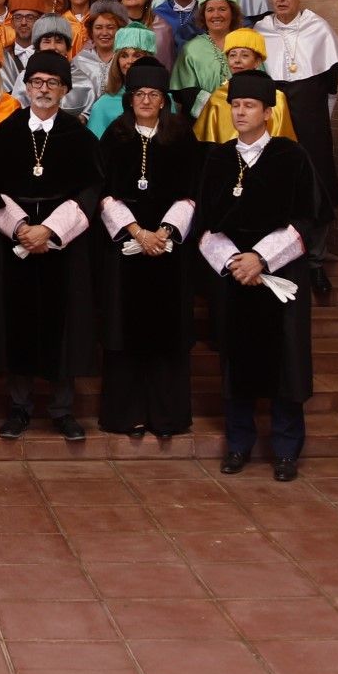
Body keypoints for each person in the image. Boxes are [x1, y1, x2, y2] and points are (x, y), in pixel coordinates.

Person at [195, 69, 321, 482]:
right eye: (236, 105)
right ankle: (238, 443)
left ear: (268, 112)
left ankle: (286, 449)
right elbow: (206, 222)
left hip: (281, 275)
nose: (241, 112)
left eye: (250, 106)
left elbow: (310, 218)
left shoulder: (292, 157)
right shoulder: (216, 159)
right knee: (237, 360)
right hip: (233, 277)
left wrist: (262, 259)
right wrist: (236, 261)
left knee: (286, 361)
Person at [0, 51, 105, 441]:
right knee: (17, 323)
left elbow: (91, 189)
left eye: (52, 83)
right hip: (14, 243)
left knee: (62, 326)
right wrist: (19, 228)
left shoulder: (80, 137)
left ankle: (63, 409)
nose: (43, 89)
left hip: (62, 247)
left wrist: (48, 230)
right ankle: (19, 407)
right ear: (26, 86)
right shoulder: (5, 131)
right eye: (37, 82)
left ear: (65, 90)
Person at [94, 60, 203, 440]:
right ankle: (126, 414)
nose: (145, 100)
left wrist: (163, 233)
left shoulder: (182, 136)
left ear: (163, 101)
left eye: (153, 95)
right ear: (130, 99)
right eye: (139, 94)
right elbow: (103, 192)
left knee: (167, 333)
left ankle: (166, 416)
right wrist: (138, 233)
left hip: (168, 252)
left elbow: (192, 192)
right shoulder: (114, 136)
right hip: (124, 249)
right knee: (124, 333)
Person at [253, 0, 338, 262]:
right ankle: (273, 252)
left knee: (316, 178)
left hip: (312, 119)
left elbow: (331, 87)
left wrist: (322, 121)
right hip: (272, 119)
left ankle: (315, 257)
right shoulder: (259, 30)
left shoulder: (319, 29)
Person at [193, 28, 296, 142]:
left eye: (245, 55)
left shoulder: (276, 98)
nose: (237, 60)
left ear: (257, 61)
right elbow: (207, 144)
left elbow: (285, 146)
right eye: (232, 55)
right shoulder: (218, 97)